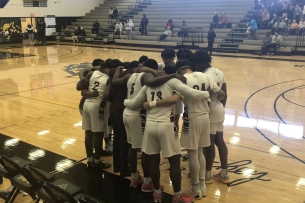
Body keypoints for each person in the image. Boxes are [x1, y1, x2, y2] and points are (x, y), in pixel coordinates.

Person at [124, 71, 214, 203]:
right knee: (174, 162)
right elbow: (193, 94)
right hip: (166, 125)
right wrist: (207, 93)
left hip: (150, 125)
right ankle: (177, 196)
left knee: (154, 161)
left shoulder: (147, 86)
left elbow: (133, 104)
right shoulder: (172, 82)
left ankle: (157, 193)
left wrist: (124, 101)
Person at [175, 61, 225, 199]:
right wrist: (214, 102)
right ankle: (202, 186)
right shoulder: (206, 76)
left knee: (192, 153)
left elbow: (176, 99)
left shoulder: (183, 79)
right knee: (201, 152)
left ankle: (195, 187)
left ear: (181, 70)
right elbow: (221, 93)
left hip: (192, 117)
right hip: (206, 117)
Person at [190, 50, 229, 185]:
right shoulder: (219, 72)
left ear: (201, 63)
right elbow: (225, 94)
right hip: (220, 109)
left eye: (195, 63)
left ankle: (207, 175)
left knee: (209, 144)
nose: (194, 66)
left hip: (210, 110)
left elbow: (204, 96)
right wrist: (221, 107)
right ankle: (224, 173)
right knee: (220, 141)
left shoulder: (205, 75)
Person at [78, 60, 112, 170]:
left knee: (88, 132)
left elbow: (83, 90)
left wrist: (90, 92)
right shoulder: (108, 79)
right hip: (98, 106)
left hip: (87, 104)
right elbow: (106, 95)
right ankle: (97, 161)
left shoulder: (92, 73)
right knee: (98, 134)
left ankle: (90, 159)